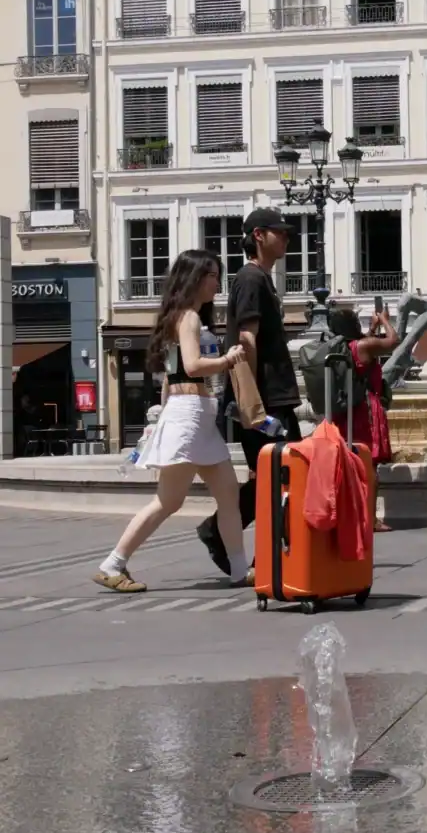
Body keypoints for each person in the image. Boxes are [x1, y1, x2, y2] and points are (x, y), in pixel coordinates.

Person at [94, 250, 250, 593]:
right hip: (192, 413)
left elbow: (170, 378)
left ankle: (240, 569)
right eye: (211, 274)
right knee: (172, 501)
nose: (217, 281)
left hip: (191, 413)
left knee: (225, 495)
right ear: (194, 277)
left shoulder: (181, 317)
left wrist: (162, 419)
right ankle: (113, 564)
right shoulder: (190, 318)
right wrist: (229, 358)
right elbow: (193, 367)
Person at [196, 207, 304, 575]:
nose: (287, 237)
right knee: (281, 476)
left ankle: (239, 542)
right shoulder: (250, 279)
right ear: (259, 235)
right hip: (266, 400)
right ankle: (253, 549)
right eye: (281, 232)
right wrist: (253, 403)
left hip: (272, 397)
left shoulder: (260, 279)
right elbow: (246, 339)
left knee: (274, 477)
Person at [327, 306, 398, 533]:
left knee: (350, 464)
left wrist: (373, 328)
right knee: (369, 466)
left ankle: (348, 515)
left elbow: (365, 344)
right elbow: (393, 342)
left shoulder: (346, 347)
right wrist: (386, 321)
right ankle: (371, 518)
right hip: (366, 409)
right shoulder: (364, 346)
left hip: (347, 410)